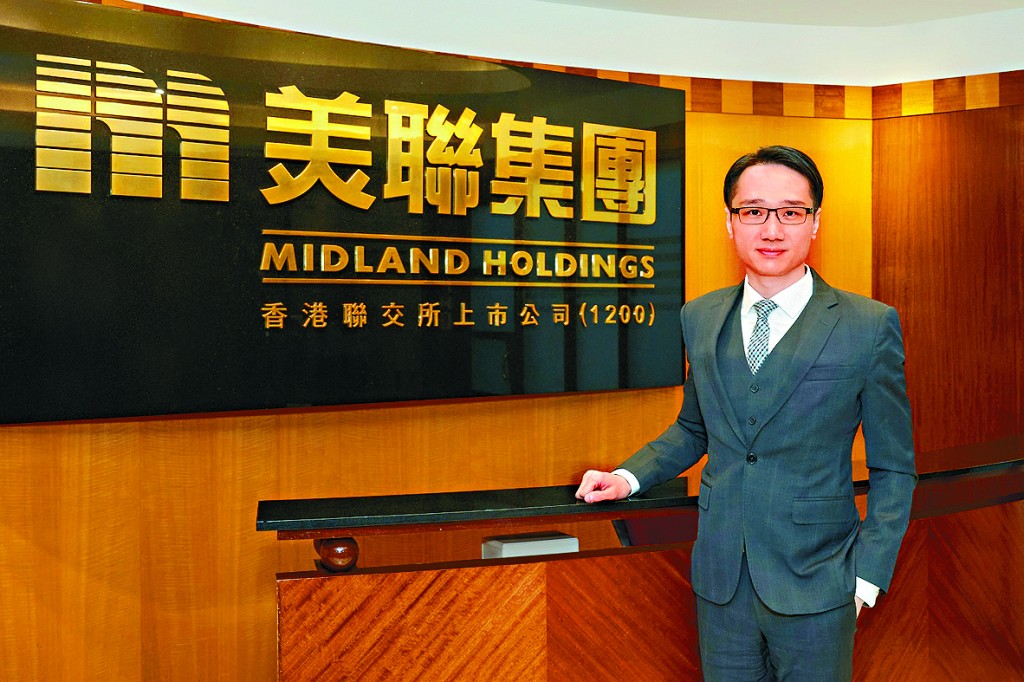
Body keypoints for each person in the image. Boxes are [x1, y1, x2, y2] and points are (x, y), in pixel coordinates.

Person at [575, 146, 917, 681]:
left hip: (821, 580)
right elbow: (694, 428)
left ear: (815, 222)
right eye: (754, 211)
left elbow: (894, 467)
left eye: (791, 212)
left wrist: (866, 578)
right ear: (730, 222)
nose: (771, 229)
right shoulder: (700, 316)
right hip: (721, 581)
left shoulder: (868, 325)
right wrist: (627, 477)